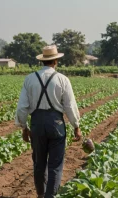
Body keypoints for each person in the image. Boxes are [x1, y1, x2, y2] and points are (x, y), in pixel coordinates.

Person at [15, 45, 82, 198]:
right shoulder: (62, 79)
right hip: (56, 124)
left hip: (37, 125)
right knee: (55, 166)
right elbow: (70, 106)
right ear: (56, 61)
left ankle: (41, 195)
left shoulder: (30, 79)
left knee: (39, 163)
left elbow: (22, 108)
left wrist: (24, 128)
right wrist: (76, 126)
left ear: (42, 61)